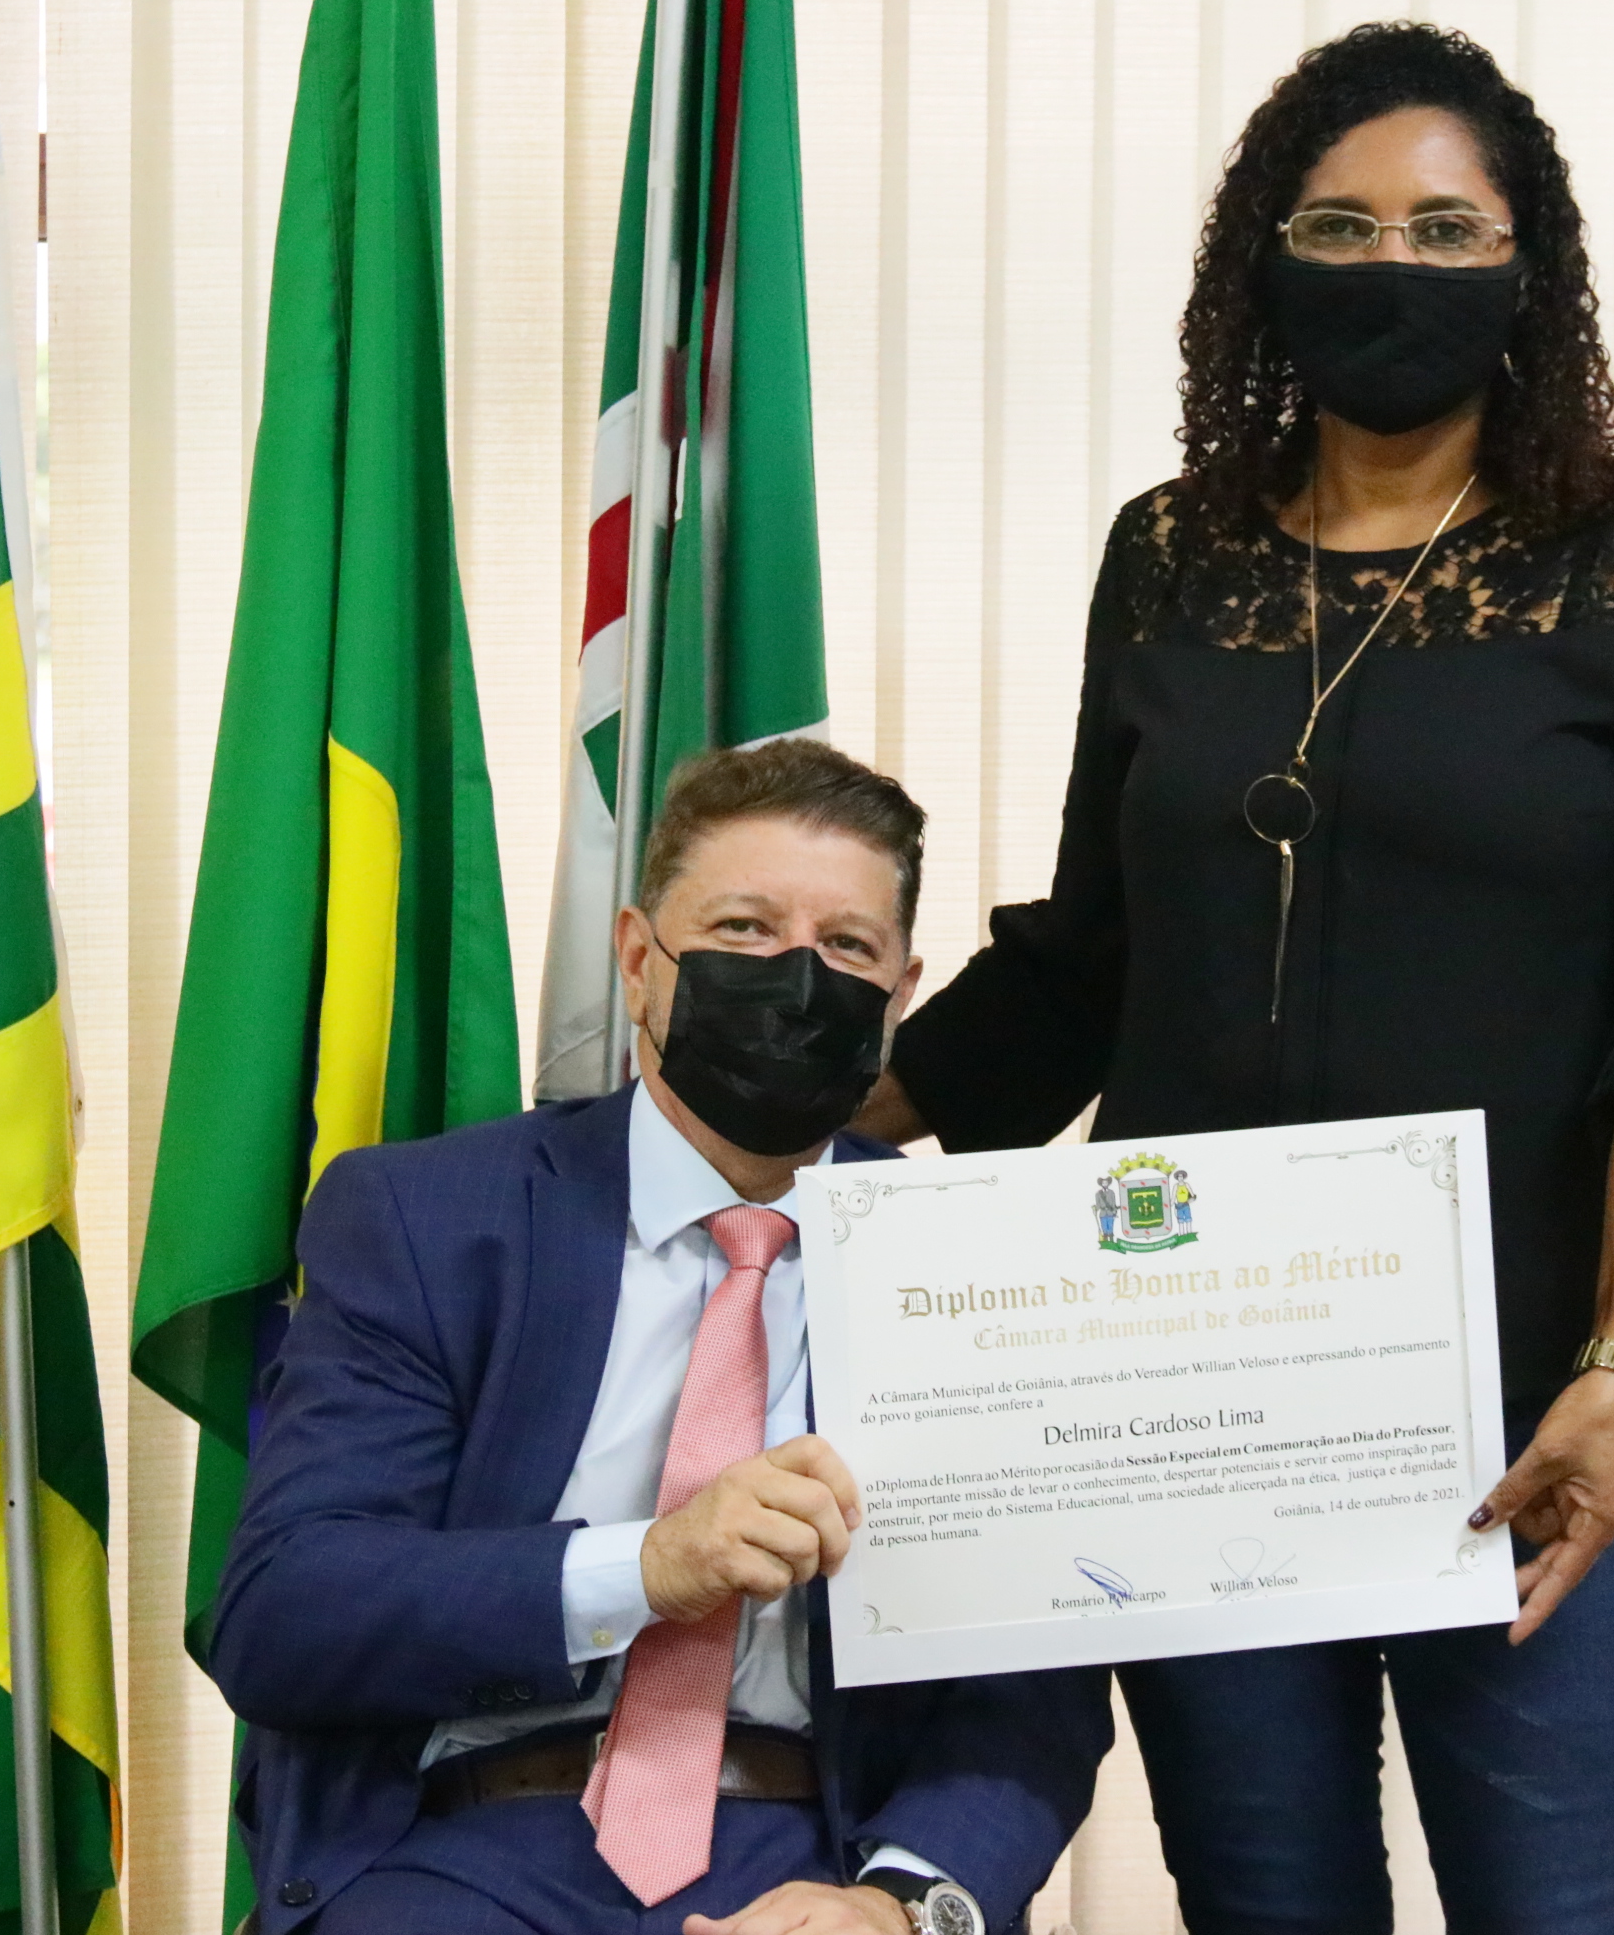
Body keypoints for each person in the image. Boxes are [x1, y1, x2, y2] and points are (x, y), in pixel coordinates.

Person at [856, 22, 1614, 1935]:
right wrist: (761, 1131)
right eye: (1341, 224)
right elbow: (1088, 957)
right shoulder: (1173, 553)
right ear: (1262, 259)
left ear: (1529, 265)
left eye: (1446, 229)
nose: (1392, 265)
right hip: (1199, 1403)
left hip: (1534, 1410)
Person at [211, 740, 1115, 1935]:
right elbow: (288, 1609)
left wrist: (901, 1904)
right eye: (745, 929)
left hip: (817, 1856)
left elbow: (1034, 1688)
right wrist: (648, 1565)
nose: (798, 977)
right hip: (470, 1849)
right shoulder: (430, 1219)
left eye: (847, 947)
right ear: (639, 961)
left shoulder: (978, 1261)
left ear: (901, 994)